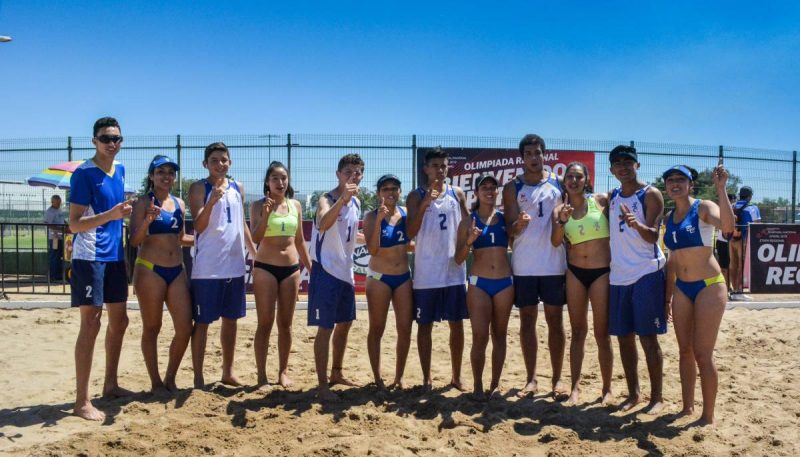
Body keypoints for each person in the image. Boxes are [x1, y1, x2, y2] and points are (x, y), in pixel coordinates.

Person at [68, 116, 134, 420]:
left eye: (117, 139)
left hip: (114, 257)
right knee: (91, 325)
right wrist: (111, 214)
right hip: (90, 256)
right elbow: (74, 224)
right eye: (106, 138)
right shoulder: (83, 174)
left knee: (120, 322)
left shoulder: (119, 170)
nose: (112, 144)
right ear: (94, 141)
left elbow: (115, 215)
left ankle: (110, 384)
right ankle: (82, 401)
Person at [662, 164, 734, 426]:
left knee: (703, 354)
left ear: (691, 184)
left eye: (681, 179)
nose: (675, 183)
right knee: (684, 351)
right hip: (682, 287)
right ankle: (687, 407)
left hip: (708, 285)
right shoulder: (668, 217)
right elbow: (672, 260)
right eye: (670, 180)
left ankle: (708, 416)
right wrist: (668, 296)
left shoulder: (703, 207)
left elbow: (728, 227)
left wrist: (721, 189)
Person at [502, 134, 567, 398]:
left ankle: (558, 379)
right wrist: (516, 226)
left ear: (544, 155)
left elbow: (567, 221)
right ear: (522, 158)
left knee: (555, 321)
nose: (533, 158)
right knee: (527, 321)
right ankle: (531, 379)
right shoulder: (512, 188)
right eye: (528, 153)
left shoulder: (558, 183)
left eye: (537, 153)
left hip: (553, 262)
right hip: (524, 264)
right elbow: (508, 230)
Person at [188, 142, 257, 389]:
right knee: (203, 322)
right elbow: (198, 225)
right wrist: (211, 202)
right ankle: (198, 377)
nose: (220, 164)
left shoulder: (238, 187)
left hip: (235, 265)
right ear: (205, 164)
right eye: (215, 160)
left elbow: (242, 224)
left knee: (231, 320)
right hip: (208, 267)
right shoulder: (199, 187)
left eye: (224, 160)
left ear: (230, 162)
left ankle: (228, 372)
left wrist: (253, 252)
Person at [606, 145, 667, 413]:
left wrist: (636, 224)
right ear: (611, 170)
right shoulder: (612, 196)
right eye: (617, 163)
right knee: (624, 338)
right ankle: (634, 394)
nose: (623, 166)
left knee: (648, 338)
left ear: (637, 165)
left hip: (646, 273)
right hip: (619, 276)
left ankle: (657, 397)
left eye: (628, 162)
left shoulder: (650, 194)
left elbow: (654, 236)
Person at [550, 162, 614, 406]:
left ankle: (607, 388)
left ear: (587, 180)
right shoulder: (560, 210)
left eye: (578, 176)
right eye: (570, 177)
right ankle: (575, 387)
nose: (574, 181)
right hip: (575, 272)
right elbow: (556, 242)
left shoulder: (601, 201)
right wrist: (562, 222)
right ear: (564, 181)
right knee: (578, 332)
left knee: (602, 333)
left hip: (601, 272)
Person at [406, 147, 469, 391]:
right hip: (426, 272)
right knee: (424, 325)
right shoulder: (415, 195)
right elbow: (410, 231)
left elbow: (465, 224)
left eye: (443, 166)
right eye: (435, 166)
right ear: (426, 169)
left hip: (453, 270)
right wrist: (424, 204)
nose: (439, 170)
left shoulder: (457, 193)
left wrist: (465, 247)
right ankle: (426, 378)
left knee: (457, 324)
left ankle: (456, 376)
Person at [129, 155, 194, 392]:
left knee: (185, 327)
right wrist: (148, 220)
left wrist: (207, 240)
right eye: (160, 172)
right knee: (152, 327)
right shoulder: (143, 202)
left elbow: (181, 238)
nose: (166, 176)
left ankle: (170, 377)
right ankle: (155, 382)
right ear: (151, 176)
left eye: (170, 172)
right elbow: (135, 239)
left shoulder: (179, 203)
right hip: (150, 270)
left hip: (176, 271)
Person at [249, 161, 311, 389]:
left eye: (283, 178)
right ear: (267, 182)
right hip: (265, 267)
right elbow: (255, 237)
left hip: (291, 270)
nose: (280, 182)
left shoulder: (295, 205)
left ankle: (283, 372)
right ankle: (261, 376)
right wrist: (266, 215)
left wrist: (312, 269)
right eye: (275, 178)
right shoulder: (257, 205)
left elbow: (300, 241)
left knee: (285, 324)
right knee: (264, 323)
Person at [308, 153, 364, 401]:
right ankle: (322, 385)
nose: (354, 176)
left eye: (358, 172)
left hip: (345, 271)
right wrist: (342, 200)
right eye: (349, 172)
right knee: (325, 328)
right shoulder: (327, 198)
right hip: (325, 271)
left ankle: (336, 373)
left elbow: (351, 236)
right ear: (338, 174)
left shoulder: (357, 203)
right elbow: (322, 223)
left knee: (345, 324)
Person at [455, 174, 514, 398]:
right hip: (479, 283)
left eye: (493, 187)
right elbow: (458, 259)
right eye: (484, 187)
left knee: (500, 334)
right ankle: (478, 385)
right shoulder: (467, 222)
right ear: (477, 193)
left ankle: (495, 384)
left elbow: (518, 239)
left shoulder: (505, 219)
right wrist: (469, 241)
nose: (489, 191)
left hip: (504, 283)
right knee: (480, 336)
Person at [363, 174, 414, 389]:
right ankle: (377, 377)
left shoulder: (405, 214)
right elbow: (372, 249)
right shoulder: (371, 217)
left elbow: (410, 243)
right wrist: (380, 222)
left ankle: (399, 376)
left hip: (403, 277)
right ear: (378, 194)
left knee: (405, 328)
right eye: (385, 189)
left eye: (394, 188)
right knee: (377, 328)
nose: (390, 192)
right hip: (379, 278)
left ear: (400, 192)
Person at [729, 186, 761, 301]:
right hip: (744, 239)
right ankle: (739, 291)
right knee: (741, 266)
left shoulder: (732, 206)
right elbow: (757, 225)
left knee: (733, 265)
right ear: (750, 196)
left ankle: (733, 291)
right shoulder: (752, 208)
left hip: (731, 239)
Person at [714, 193, 736, 294]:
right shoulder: (725, 210)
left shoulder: (726, 209)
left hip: (724, 242)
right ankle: (726, 288)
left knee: (727, 267)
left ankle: (728, 287)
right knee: (725, 267)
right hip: (724, 242)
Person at [44, 194, 66, 281]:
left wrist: (66, 224)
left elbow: (62, 219)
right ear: (52, 202)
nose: (59, 204)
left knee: (60, 256)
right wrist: (59, 229)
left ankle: (58, 275)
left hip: (61, 236)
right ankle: (53, 276)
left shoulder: (59, 210)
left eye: (60, 202)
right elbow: (47, 224)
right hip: (54, 237)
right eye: (57, 203)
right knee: (54, 256)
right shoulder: (50, 211)